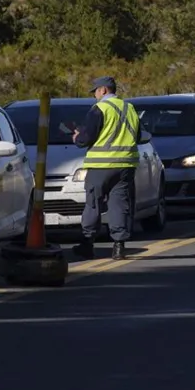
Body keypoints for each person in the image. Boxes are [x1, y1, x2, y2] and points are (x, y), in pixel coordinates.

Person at [71, 76, 141, 261]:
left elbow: (86, 138)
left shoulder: (100, 109)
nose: (94, 95)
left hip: (101, 164)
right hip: (126, 165)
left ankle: (87, 243)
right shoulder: (130, 108)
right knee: (119, 204)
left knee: (93, 203)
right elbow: (140, 135)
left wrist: (77, 137)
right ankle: (119, 246)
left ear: (103, 90)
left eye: (95, 91)